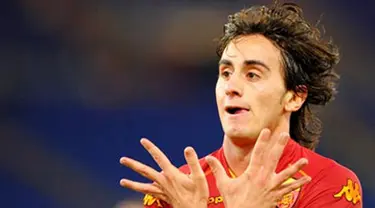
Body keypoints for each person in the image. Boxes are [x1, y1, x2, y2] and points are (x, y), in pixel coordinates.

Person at [119, 1, 363, 208]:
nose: (231, 86)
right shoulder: (177, 190)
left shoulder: (330, 183)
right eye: (225, 73)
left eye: (252, 75)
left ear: (294, 97)